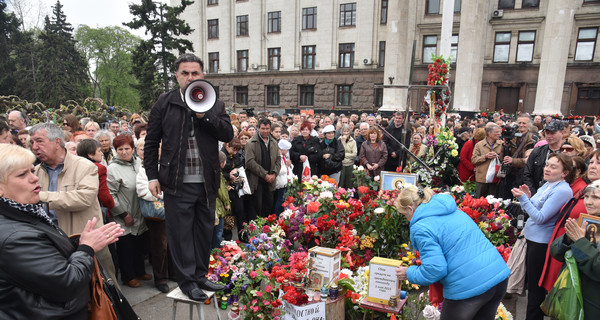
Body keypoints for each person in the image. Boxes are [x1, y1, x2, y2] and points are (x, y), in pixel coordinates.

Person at [144, 53, 232, 301]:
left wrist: (205, 116)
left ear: (202, 75)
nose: (190, 77)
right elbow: (151, 143)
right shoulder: (165, 102)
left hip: (207, 182)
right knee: (181, 234)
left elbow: (226, 133)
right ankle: (186, 281)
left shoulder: (214, 101)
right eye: (185, 73)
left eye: (195, 73)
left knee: (204, 231)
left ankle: (201, 275)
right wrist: (152, 176)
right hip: (176, 182)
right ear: (177, 76)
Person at [0, 144, 124, 319]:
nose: (34, 178)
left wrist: (78, 244)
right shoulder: (15, 237)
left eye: (31, 171)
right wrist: (87, 248)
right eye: (22, 174)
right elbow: (67, 282)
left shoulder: (24, 213)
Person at [395, 186, 510, 320]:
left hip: (469, 286)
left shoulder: (421, 227)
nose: (407, 219)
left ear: (410, 208)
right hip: (497, 276)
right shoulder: (452, 210)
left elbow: (435, 269)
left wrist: (409, 273)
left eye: (405, 215)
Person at [30, 122, 119, 288]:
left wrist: (40, 196)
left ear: (57, 142)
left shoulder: (85, 167)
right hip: (53, 243)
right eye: (32, 142)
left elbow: (84, 198)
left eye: (39, 141)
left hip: (89, 240)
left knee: (106, 288)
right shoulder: (36, 172)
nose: (35, 147)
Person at [511, 153, 574, 320]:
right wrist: (528, 198)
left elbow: (539, 218)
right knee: (531, 286)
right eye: (547, 165)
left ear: (564, 173)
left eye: (554, 167)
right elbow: (531, 210)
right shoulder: (548, 184)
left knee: (535, 289)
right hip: (532, 239)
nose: (547, 169)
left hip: (541, 243)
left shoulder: (562, 190)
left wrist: (524, 199)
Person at [539, 149, 600, 292]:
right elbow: (558, 251)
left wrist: (580, 241)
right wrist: (568, 238)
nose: (592, 166)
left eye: (598, 163)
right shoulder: (582, 191)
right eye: (591, 162)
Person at [550, 180, 600, 320]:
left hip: (592, 306)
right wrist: (568, 239)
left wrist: (580, 241)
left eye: (596, 198)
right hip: (569, 297)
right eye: (587, 197)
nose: (588, 202)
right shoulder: (584, 221)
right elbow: (555, 251)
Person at [106, 134, 150, 288]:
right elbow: (110, 194)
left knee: (139, 243)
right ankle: (128, 276)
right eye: (120, 149)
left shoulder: (138, 163)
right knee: (126, 247)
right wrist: (123, 214)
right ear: (115, 150)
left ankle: (139, 271)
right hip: (124, 213)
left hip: (139, 211)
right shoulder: (112, 168)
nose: (124, 152)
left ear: (133, 149)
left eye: (127, 148)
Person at [135, 137, 174, 293]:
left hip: (172, 212)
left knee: (173, 245)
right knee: (160, 247)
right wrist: (164, 194)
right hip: (157, 215)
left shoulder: (169, 165)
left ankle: (173, 273)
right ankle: (160, 278)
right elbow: (143, 191)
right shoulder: (144, 169)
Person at [244, 118, 281, 219]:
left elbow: (278, 160)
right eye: (263, 128)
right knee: (256, 209)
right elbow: (249, 162)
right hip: (256, 182)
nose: (265, 131)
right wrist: (265, 175)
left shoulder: (274, 142)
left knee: (268, 208)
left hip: (270, 181)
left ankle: (267, 232)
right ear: (258, 128)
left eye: (267, 128)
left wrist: (274, 174)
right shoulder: (251, 143)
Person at [524, 120, 566, 195]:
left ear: (562, 133)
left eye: (553, 133)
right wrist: (533, 193)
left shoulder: (567, 152)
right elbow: (527, 174)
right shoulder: (537, 151)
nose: (549, 136)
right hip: (536, 193)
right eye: (547, 133)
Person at [76, 139, 115, 218]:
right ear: (90, 154)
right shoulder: (99, 168)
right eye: (99, 151)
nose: (102, 154)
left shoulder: (75, 166)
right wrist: (112, 205)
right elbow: (103, 195)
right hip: (95, 209)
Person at [221, 138, 245, 241]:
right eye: (233, 149)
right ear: (227, 145)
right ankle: (228, 237)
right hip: (226, 187)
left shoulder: (235, 155)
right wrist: (228, 176)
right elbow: (219, 172)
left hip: (236, 188)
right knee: (228, 214)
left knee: (240, 211)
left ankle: (242, 235)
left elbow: (241, 163)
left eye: (237, 150)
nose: (235, 152)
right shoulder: (221, 155)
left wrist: (236, 169)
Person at [471, 124, 504, 197]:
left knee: (492, 201)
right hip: (482, 177)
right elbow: (473, 160)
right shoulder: (479, 145)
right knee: (480, 200)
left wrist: (498, 157)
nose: (499, 134)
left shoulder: (502, 144)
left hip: (495, 177)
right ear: (489, 133)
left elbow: (505, 158)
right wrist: (485, 156)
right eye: (497, 132)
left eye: (499, 132)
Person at [212, 151, 231, 248]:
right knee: (218, 231)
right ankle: (216, 250)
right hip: (219, 205)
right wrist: (227, 202)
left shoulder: (213, 171)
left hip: (217, 204)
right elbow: (221, 191)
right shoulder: (218, 174)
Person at [274, 139, 293, 216]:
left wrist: (289, 166)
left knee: (283, 200)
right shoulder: (278, 157)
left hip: (285, 181)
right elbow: (279, 170)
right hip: (281, 182)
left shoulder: (284, 156)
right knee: (280, 200)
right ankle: (277, 215)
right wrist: (287, 166)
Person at [339, 124, 357, 189]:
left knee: (349, 184)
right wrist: (343, 142)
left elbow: (354, 154)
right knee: (341, 183)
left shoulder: (353, 141)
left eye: (347, 131)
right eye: (344, 131)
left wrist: (344, 155)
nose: (346, 133)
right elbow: (339, 153)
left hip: (350, 164)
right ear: (342, 132)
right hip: (341, 165)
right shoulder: (339, 140)